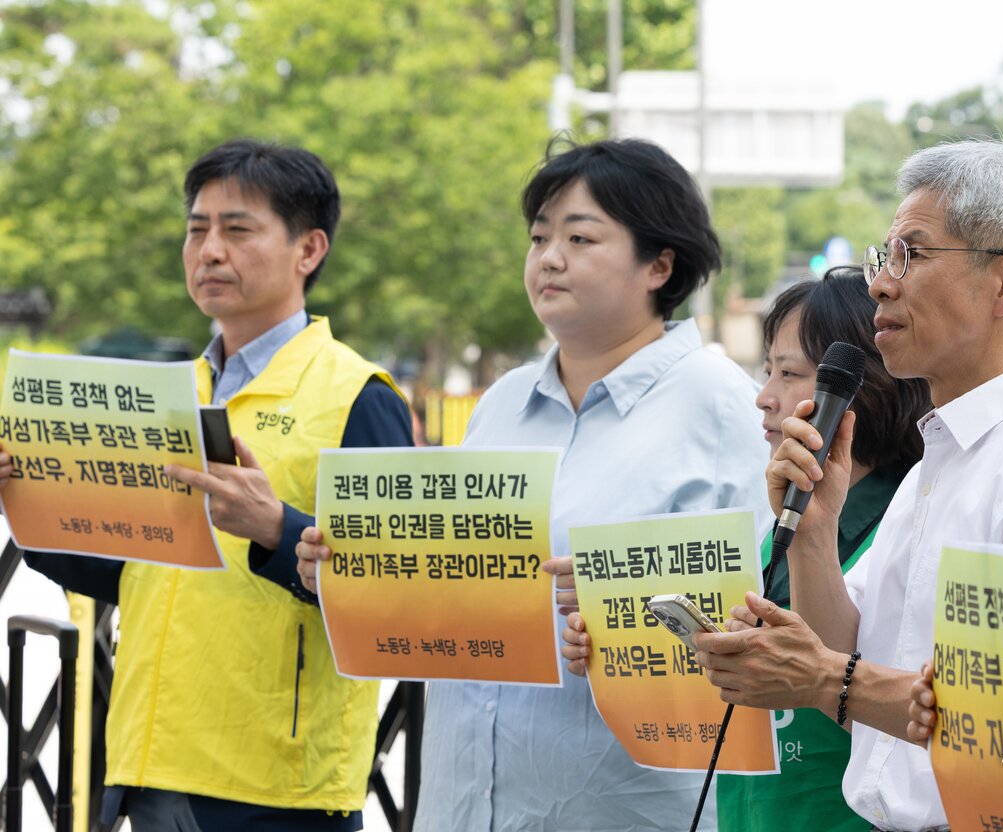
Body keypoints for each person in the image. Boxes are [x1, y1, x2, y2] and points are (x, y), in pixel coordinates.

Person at [692, 139, 1003, 832]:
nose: (882, 283)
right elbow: (848, 653)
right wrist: (815, 535)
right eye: (883, 256)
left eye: (912, 254)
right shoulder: (934, 468)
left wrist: (825, 678)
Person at [295, 137, 770, 831]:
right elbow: (451, 593)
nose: (549, 258)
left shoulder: (722, 405)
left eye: (580, 238)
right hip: (462, 801)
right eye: (539, 237)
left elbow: (765, 618)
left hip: (622, 808)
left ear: (659, 265)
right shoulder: (503, 403)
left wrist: (625, 596)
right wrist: (346, 572)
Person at [0, 138, 413, 830]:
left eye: (237, 229)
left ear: (308, 251)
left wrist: (278, 530)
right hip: (147, 764)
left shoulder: (357, 396)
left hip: (274, 792)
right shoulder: (169, 394)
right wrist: (28, 500)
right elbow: (136, 571)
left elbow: (399, 600)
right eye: (197, 230)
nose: (209, 250)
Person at [712, 269, 926, 831]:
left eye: (789, 374)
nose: (764, 398)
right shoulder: (781, 520)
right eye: (767, 372)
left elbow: (858, 688)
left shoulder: (905, 522)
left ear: (858, 387)